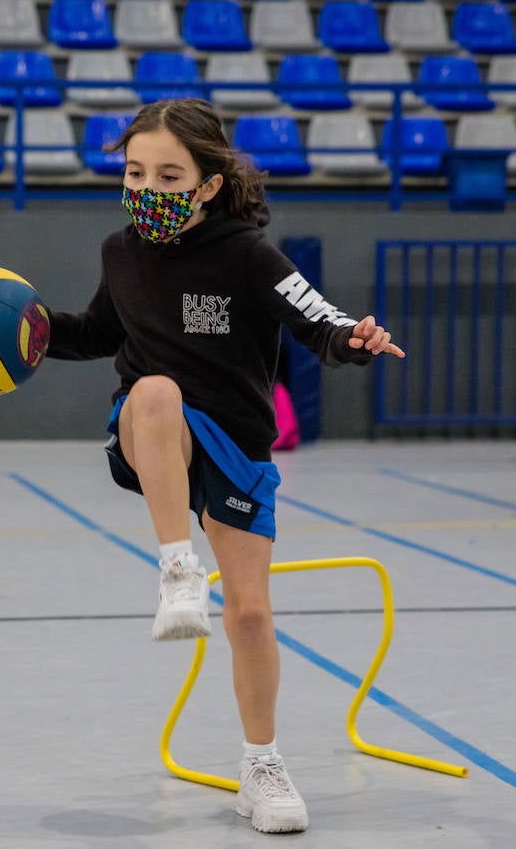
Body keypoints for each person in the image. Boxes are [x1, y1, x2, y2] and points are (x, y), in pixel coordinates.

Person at [43, 99, 405, 835]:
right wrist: (30, 329)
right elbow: (96, 332)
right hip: (155, 434)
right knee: (153, 393)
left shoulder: (248, 254)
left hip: (236, 439)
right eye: (135, 171)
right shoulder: (122, 252)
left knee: (249, 613)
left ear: (208, 184)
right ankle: (177, 570)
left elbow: (318, 321)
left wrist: (355, 340)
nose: (147, 186)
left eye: (169, 174)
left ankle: (261, 766)